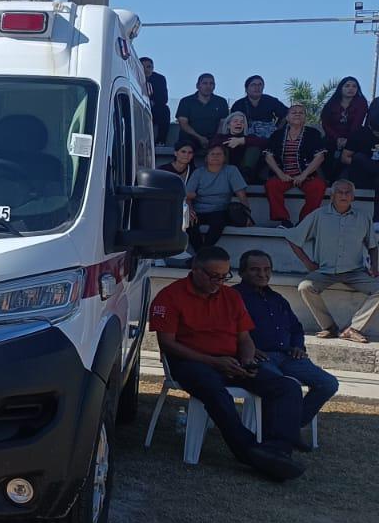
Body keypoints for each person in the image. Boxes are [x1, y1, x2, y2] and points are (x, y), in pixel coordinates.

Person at [150, 246, 304, 479]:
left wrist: (247, 360)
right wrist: (214, 362)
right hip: (191, 362)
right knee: (215, 391)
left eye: (224, 276)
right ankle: (247, 450)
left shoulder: (231, 296)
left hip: (231, 361)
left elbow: (245, 337)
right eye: (214, 276)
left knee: (288, 387)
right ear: (195, 270)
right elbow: (168, 344)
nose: (219, 282)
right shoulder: (170, 296)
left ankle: (277, 450)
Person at [237, 249, 337, 441]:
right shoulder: (234, 297)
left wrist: (298, 346)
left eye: (267, 269)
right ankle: (279, 433)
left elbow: (296, 328)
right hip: (258, 357)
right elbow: (226, 330)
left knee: (328, 384)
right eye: (255, 270)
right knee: (283, 386)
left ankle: (289, 427)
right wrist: (248, 349)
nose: (262, 274)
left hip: (287, 356)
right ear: (242, 272)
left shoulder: (277, 299)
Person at [288, 178, 379, 344]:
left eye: (348, 192)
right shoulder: (318, 215)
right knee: (305, 287)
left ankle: (354, 329)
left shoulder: (363, 217)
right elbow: (293, 239)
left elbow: (372, 246)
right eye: (340, 192)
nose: (343, 195)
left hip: (355, 271)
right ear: (332, 196)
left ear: (353, 196)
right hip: (324, 271)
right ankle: (329, 326)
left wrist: (374, 266)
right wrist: (308, 263)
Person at [262, 104, 327, 227]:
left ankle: (305, 222)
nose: (297, 114)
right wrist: (280, 174)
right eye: (294, 112)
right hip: (284, 174)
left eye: (301, 112)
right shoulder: (278, 134)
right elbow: (268, 156)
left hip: (306, 174)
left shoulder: (313, 134)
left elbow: (320, 157)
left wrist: (303, 175)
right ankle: (284, 220)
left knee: (318, 186)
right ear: (287, 117)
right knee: (271, 185)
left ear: (305, 118)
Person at [184, 144, 252, 252]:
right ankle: (202, 255)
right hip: (198, 210)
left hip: (220, 209)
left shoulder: (231, 171)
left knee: (218, 222)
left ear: (224, 157)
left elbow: (241, 195)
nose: (215, 156)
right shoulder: (198, 172)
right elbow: (188, 195)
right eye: (212, 154)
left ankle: (201, 255)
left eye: (219, 154)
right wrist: (190, 210)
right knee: (189, 224)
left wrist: (247, 214)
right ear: (206, 157)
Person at [319, 76, 368, 182]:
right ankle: (327, 180)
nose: (351, 89)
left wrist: (347, 139)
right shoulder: (332, 103)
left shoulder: (361, 103)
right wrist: (337, 138)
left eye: (354, 86)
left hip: (353, 138)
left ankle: (340, 181)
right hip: (332, 137)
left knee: (352, 155)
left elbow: (357, 123)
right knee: (323, 150)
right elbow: (325, 122)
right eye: (347, 86)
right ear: (341, 88)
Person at [210, 111, 268, 183]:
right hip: (224, 170)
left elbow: (265, 143)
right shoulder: (220, 137)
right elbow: (213, 144)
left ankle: (245, 176)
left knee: (254, 148)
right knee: (219, 149)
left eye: (242, 122)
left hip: (244, 172)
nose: (239, 123)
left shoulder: (250, 138)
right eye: (235, 121)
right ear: (228, 125)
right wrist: (231, 141)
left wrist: (242, 140)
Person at [175, 72, 228, 150]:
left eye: (211, 84)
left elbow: (223, 123)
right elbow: (183, 124)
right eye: (205, 83)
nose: (208, 86)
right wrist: (200, 138)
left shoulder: (221, 102)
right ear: (197, 86)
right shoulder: (186, 101)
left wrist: (215, 139)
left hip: (213, 139)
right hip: (190, 139)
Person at [142, 56, 171, 145]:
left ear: (152, 68)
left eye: (149, 67)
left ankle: (160, 141)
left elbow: (163, 99)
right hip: (137, 107)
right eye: (143, 67)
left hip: (153, 108)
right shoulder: (133, 76)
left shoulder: (159, 79)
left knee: (165, 110)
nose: (146, 69)